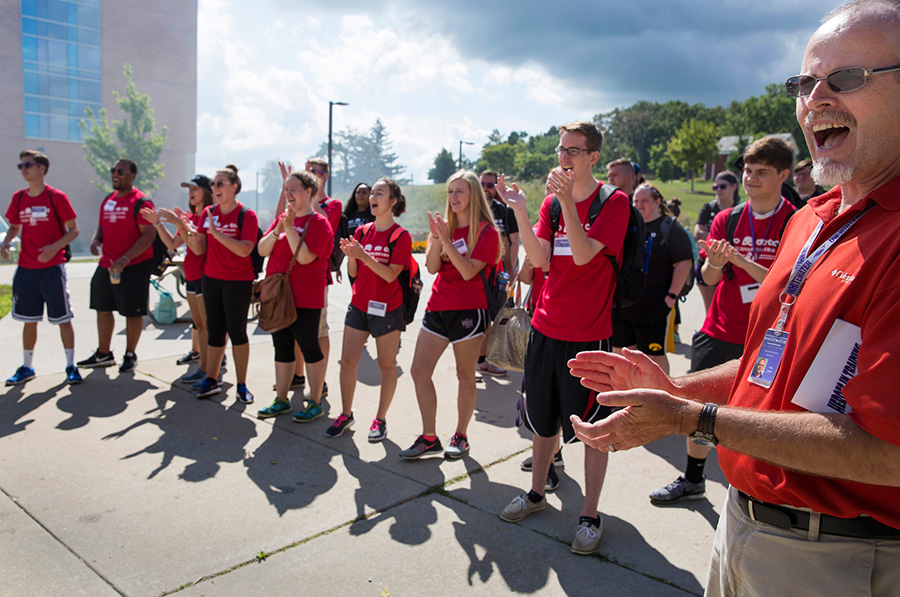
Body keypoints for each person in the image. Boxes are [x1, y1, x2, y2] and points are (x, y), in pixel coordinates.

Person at [569, 3, 900, 593]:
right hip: (746, 524)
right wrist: (675, 389)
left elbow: (887, 452)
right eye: (804, 83)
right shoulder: (816, 219)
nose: (815, 98)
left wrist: (691, 418)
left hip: (838, 553)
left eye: (846, 78)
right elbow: (763, 370)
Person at [495, 121, 630, 555]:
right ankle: (536, 493)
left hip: (589, 335)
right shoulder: (551, 205)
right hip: (545, 329)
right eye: (561, 149)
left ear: (593, 157)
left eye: (574, 150)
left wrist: (569, 202)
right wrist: (519, 208)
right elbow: (541, 262)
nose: (564, 157)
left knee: (592, 428)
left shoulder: (615, 201)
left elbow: (587, 253)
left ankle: (589, 514)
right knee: (543, 420)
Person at [648, 136, 796, 505]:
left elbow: (792, 283)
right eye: (747, 170)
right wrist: (715, 261)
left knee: (762, 417)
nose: (751, 178)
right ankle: (693, 479)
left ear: (783, 175)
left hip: (771, 336)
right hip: (721, 329)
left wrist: (743, 262)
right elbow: (709, 279)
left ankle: (755, 488)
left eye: (762, 172)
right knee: (702, 410)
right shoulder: (727, 219)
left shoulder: (797, 221)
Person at [402, 170, 500, 460]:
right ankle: (429, 437)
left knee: (464, 374)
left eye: (460, 191)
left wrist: (445, 241)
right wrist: (437, 237)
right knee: (419, 371)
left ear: (473, 196)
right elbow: (432, 268)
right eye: (450, 192)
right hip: (438, 307)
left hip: (470, 309)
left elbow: (470, 271)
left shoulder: (486, 231)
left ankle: (461, 435)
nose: (453, 197)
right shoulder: (445, 227)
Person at [327, 178, 411, 441]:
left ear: (393, 201)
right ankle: (346, 414)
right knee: (347, 363)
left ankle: (380, 418)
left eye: (380, 193)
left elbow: (389, 276)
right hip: (359, 305)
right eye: (372, 192)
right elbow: (354, 273)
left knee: (387, 366)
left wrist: (364, 256)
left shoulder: (401, 236)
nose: (373, 197)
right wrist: (352, 257)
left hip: (388, 309)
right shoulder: (362, 231)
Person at [256, 171, 333, 421]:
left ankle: (315, 401)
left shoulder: (319, 223)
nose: (289, 194)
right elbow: (262, 249)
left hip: (306, 297)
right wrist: (280, 226)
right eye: (286, 189)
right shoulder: (282, 219)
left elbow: (305, 257)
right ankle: (281, 399)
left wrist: (288, 227)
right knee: (282, 348)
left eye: (294, 189)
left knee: (309, 347)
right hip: (278, 296)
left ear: (309, 192)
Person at [2, 150, 81, 385]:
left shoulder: (56, 197)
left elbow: (73, 230)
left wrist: (53, 248)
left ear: (41, 169)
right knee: (29, 319)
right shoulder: (18, 198)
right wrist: (7, 240)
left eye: (28, 165)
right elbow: (15, 227)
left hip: (52, 269)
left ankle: (71, 365)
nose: (23, 169)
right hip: (26, 269)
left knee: (62, 318)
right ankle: (27, 367)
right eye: (21, 166)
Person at [181, 165, 256, 404]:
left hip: (238, 282)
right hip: (211, 279)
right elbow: (199, 249)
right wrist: (186, 231)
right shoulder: (207, 214)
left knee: (237, 332)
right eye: (213, 184)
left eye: (220, 183)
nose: (215, 188)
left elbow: (244, 250)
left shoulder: (247, 215)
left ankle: (242, 384)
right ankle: (212, 379)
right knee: (214, 331)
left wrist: (216, 232)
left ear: (234, 187)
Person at [77, 159, 155, 374]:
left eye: (120, 171)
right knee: (102, 308)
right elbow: (101, 227)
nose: (115, 174)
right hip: (107, 264)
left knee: (132, 312)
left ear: (132, 175)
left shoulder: (141, 201)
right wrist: (95, 240)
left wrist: (126, 258)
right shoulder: (108, 200)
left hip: (134, 265)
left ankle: (130, 354)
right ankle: (104, 353)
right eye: (113, 170)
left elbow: (148, 235)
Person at [139, 175, 215, 387]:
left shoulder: (209, 215)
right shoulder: (191, 216)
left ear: (205, 192)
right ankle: (203, 367)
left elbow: (199, 246)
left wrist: (181, 223)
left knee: (207, 327)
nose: (190, 192)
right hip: (190, 275)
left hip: (203, 276)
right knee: (199, 325)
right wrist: (157, 224)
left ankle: (208, 371)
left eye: (194, 188)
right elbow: (172, 243)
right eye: (188, 189)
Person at [611, 184, 693, 374]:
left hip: (654, 306)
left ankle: (659, 400)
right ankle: (626, 397)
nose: (639, 205)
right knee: (621, 353)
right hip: (623, 304)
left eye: (644, 201)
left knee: (653, 357)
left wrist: (671, 298)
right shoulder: (626, 224)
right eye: (636, 201)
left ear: (658, 202)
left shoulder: (669, 227)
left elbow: (683, 263)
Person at [476, 169, 520, 377]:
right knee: (479, 317)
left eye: (490, 185)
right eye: (482, 184)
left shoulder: (505, 212)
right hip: (477, 272)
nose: (486, 189)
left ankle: (488, 359)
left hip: (499, 274)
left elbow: (512, 244)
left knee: (497, 318)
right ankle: (480, 360)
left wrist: (512, 273)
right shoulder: (472, 211)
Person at [694, 171, 741, 312]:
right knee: (711, 311)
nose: (718, 190)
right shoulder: (708, 208)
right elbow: (698, 234)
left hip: (732, 267)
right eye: (715, 187)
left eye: (722, 186)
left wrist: (712, 238)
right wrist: (724, 240)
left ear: (734, 187)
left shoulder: (740, 210)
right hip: (707, 262)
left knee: (729, 310)